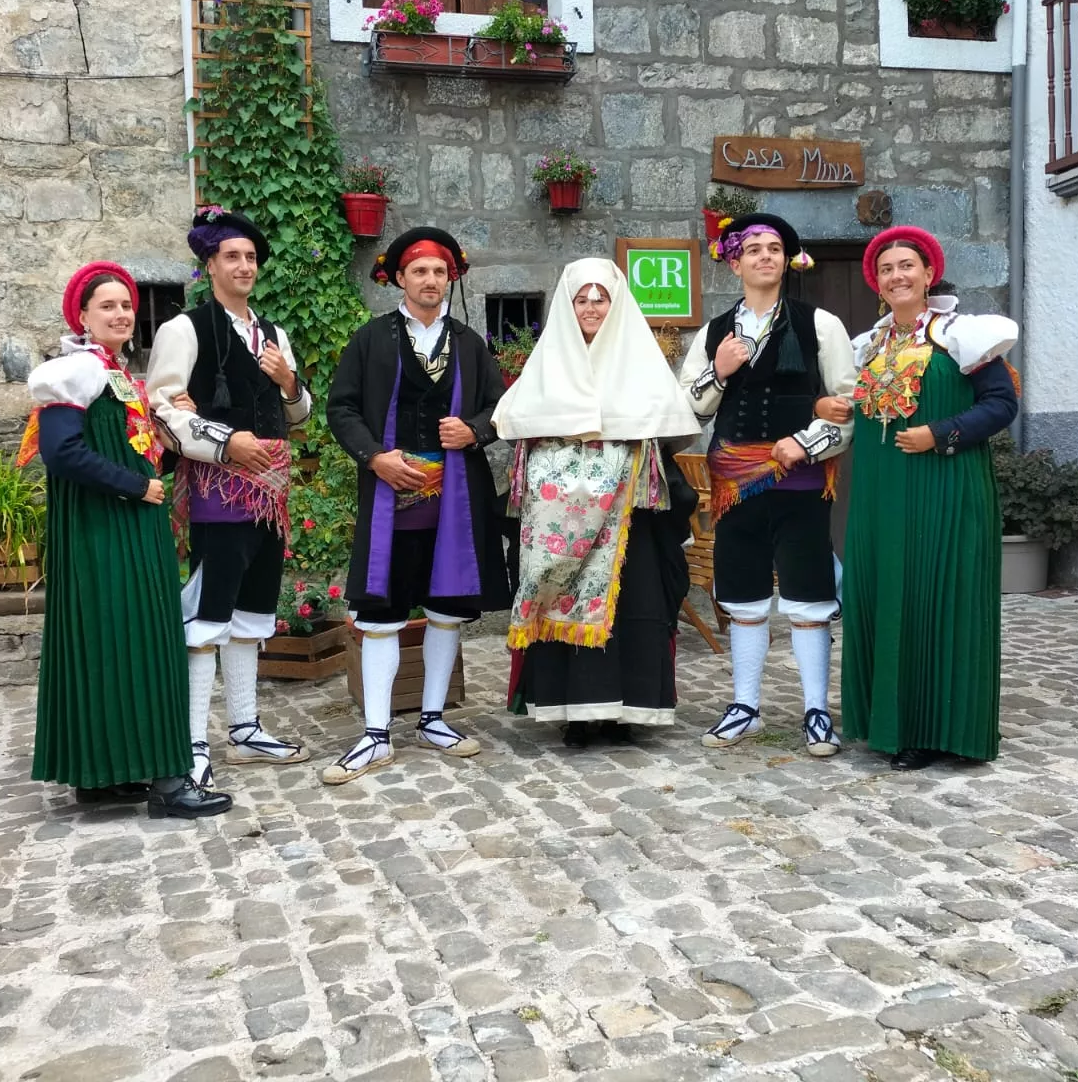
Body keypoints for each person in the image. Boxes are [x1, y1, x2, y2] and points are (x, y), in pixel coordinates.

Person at [21, 262, 232, 819]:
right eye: (107, 306)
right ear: (83, 317)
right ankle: (169, 783)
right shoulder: (73, 371)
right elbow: (61, 452)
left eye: (126, 305)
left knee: (108, 645)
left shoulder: (115, 372)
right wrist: (136, 487)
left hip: (124, 522)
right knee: (147, 641)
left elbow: (123, 444)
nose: (121, 314)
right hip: (107, 526)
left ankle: (102, 775)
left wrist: (165, 433)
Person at [823, 226, 1018, 770]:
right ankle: (886, 723)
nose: (897, 276)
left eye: (906, 265)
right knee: (886, 597)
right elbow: (852, 415)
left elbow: (1001, 405)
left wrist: (942, 434)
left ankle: (937, 730)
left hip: (945, 488)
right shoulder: (870, 346)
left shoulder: (963, 335)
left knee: (937, 595)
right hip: (881, 495)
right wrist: (826, 411)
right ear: (876, 283)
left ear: (928, 273)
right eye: (886, 269)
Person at [323, 227, 511, 784]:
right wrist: (375, 458)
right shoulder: (370, 340)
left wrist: (474, 431)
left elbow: (501, 407)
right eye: (420, 271)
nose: (431, 280)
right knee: (382, 612)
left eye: (439, 272)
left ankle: (432, 718)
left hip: (454, 500)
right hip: (391, 497)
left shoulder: (471, 344)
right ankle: (376, 734)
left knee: (445, 607)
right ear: (400, 279)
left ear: (451, 279)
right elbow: (342, 408)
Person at [494, 258, 700, 745]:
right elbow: (518, 426)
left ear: (616, 304)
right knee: (562, 597)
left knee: (634, 604)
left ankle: (629, 708)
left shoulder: (641, 363)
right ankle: (575, 712)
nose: (591, 307)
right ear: (567, 307)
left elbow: (670, 430)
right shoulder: (547, 365)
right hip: (557, 522)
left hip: (629, 517)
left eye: (600, 298)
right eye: (580, 299)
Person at [146, 208, 312, 789]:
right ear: (210, 265)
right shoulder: (184, 329)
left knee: (252, 614)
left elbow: (297, 412)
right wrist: (226, 443)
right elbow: (163, 409)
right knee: (209, 615)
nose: (244, 266)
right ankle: (193, 741)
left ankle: (244, 729)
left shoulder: (273, 334)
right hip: (219, 490)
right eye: (232, 257)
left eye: (250, 257)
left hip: (270, 490)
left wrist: (289, 381)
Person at [678, 214, 855, 756]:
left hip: (799, 481)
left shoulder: (820, 324)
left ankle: (816, 711)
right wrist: (720, 369)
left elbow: (847, 405)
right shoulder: (713, 333)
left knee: (808, 595)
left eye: (774, 248)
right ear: (735, 263)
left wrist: (805, 442)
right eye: (753, 249)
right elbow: (687, 407)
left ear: (786, 261)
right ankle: (745, 706)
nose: (764, 256)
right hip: (734, 483)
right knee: (743, 595)